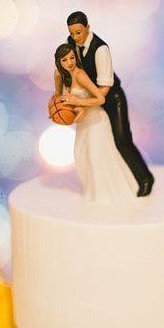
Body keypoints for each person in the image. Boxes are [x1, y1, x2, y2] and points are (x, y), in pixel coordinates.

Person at [66, 10, 154, 197]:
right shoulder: (71, 44)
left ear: (88, 28)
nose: (75, 37)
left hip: (112, 99)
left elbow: (105, 90)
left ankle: (145, 178)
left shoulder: (101, 49)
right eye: (72, 33)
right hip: (92, 98)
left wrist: (84, 102)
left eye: (79, 32)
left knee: (122, 140)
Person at [53, 43, 138, 205]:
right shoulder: (59, 75)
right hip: (82, 122)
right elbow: (58, 97)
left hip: (96, 119)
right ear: (59, 62)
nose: (70, 63)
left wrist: (80, 102)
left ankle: (104, 197)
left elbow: (100, 98)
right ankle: (92, 192)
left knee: (96, 156)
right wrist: (58, 111)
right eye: (65, 60)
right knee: (80, 155)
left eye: (72, 58)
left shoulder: (80, 75)